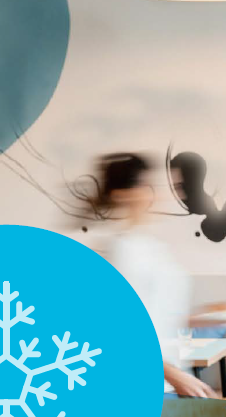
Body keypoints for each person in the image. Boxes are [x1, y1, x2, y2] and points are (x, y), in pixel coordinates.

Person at [85, 153, 218, 399]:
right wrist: (172, 375)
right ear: (121, 194)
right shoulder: (120, 251)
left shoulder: (151, 247)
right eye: (149, 185)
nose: (161, 192)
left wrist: (204, 315)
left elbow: (156, 313)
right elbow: (118, 328)